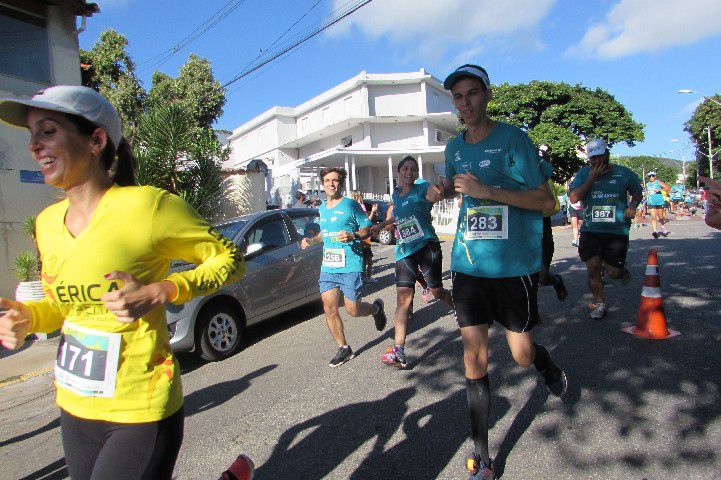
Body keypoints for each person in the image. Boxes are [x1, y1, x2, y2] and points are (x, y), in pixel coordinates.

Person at [0, 86, 245, 480]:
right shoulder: (46, 224)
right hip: (75, 406)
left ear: (96, 140)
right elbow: (61, 308)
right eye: (31, 134)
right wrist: (28, 317)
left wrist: (162, 290)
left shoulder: (150, 207)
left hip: (140, 406)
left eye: (47, 131)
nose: (33, 145)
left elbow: (230, 260)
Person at [441, 64, 567, 480]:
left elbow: (547, 201)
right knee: (473, 357)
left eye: (472, 94)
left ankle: (543, 361)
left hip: (513, 267)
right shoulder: (454, 148)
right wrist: (439, 190)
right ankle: (482, 454)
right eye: (458, 97)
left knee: (519, 354)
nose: (465, 104)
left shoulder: (514, 138)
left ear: (488, 95)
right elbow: (455, 184)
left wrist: (487, 192)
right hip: (469, 263)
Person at [368, 156, 453, 368]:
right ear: (398, 172)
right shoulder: (396, 194)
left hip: (426, 246)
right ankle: (399, 351)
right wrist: (382, 224)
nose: (409, 172)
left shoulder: (422, 187)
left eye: (413, 169)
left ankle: (460, 310)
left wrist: (440, 189)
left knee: (436, 291)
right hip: (404, 251)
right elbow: (398, 215)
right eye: (405, 168)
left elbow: (434, 193)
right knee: (403, 300)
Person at [300, 167, 387, 367]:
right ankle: (344, 348)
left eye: (336, 180)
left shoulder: (351, 205)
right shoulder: (322, 208)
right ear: (323, 184)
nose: (331, 184)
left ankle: (376, 309)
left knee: (353, 310)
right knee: (329, 308)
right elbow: (324, 233)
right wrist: (312, 241)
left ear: (341, 183)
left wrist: (354, 235)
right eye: (328, 181)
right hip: (329, 266)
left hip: (351, 264)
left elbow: (367, 229)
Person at [569, 138, 643, 320]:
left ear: (607, 154)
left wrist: (633, 206)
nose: (597, 162)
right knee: (593, 268)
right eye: (593, 158)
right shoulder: (584, 174)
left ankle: (620, 269)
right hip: (590, 230)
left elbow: (637, 194)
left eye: (600, 156)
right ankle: (600, 303)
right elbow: (573, 198)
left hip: (616, 231)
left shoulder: (624, 173)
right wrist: (592, 178)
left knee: (613, 273)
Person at [352, 191, 376, 283]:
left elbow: (366, 222)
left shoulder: (359, 206)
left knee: (367, 261)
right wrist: (372, 213)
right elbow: (367, 222)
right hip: (360, 239)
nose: (361, 197)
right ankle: (363, 279)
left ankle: (366, 278)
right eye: (359, 196)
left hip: (363, 239)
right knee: (363, 262)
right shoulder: (358, 207)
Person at [645, 172, 669, 238]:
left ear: (655, 176)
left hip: (659, 201)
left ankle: (662, 225)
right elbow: (647, 192)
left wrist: (659, 189)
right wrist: (645, 194)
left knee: (660, 217)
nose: (651, 177)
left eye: (652, 176)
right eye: (650, 176)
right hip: (651, 202)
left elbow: (667, 188)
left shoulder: (658, 182)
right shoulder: (647, 184)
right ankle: (655, 231)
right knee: (653, 217)